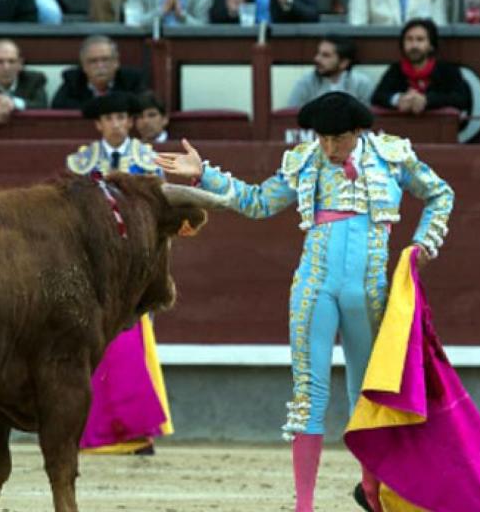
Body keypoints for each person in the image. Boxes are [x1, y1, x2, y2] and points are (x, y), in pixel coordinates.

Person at [154, 91, 454, 512]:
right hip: (315, 287)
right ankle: (304, 507)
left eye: (338, 139)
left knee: (367, 397)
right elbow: (257, 202)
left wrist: (423, 243)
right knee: (308, 395)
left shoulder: (392, 156)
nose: (329, 148)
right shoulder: (305, 160)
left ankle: (372, 494)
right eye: (323, 139)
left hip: (369, 291)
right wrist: (205, 175)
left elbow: (441, 194)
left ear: (358, 131)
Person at [67, 92, 173, 456]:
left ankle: (139, 431)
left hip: (136, 264)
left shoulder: (148, 160)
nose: (115, 123)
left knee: (137, 344)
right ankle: (91, 428)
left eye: (121, 117)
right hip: (94, 267)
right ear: (98, 124)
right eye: (108, 118)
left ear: (129, 122)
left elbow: (160, 213)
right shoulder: (80, 161)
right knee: (90, 343)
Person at [371, 18, 472, 118]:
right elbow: (377, 96)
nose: (414, 45)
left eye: (420, 39)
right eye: (409, 39)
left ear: (431, 45)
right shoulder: (396, 70)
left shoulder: (448, 70)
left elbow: (461, 99)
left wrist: (426, 100)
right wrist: (398, 100)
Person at [51, 35, 147, 109]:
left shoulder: (131, 80)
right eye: (93, 61)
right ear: (84, 66)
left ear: (116, 63)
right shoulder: (73, 80)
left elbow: (142, 105)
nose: (100, 66)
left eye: (105, 60)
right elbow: (58, 106)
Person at [0, 38, 48, 127]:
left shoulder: (34, 79)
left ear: (20, 64)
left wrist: (12, 103)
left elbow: (42, 106)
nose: (6, 68)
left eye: (12, 61)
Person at [287, 35, 374, 108]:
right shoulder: (306, 82)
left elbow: (369, 120)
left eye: (326, 55)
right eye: (318, 53)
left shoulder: (361, 84)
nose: (317, 59)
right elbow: (292, 116)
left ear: (344, 63)